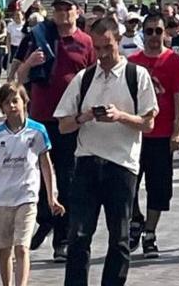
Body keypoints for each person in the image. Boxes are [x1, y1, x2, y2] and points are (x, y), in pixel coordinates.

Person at [58, 15, 155, 286]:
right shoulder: (84, 78)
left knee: (120, 238)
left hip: (122, 165)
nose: (101, 55)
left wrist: (121, 116)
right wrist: (83, 117)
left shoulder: (137, 75)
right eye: (97, 48)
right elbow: (63, 125)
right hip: (87, 162)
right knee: (78, 237)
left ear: (119, 41)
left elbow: (148, 123)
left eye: (107, 48)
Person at [15, 0, 94, 258]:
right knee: (37, 177)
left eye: (67, 9)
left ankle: (62, 237)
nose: (62, 14)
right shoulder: (39, 38)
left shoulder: (85, 42)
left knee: (67, 179)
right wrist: (29, 64)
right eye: (58, 9)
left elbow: (94, 77)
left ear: (77, 11)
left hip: (70, 120)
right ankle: (45, 217)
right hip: (41, 118)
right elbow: (17, 78)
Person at [126, 15, 179, 258]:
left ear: (165, 33)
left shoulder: (172, 60)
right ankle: (135, 219)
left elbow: (178, 97)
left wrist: (177, 130)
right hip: (135, 134)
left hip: (162, 134)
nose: (154, 36)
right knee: (128, 183)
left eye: (158, 31)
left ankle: (150, 233)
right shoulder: (133, 62)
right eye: (149, 31)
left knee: (159, 187)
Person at [0, 82, 58, 286]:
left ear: (25, 102)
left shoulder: (37, 131)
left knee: (22, 247)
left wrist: (51, 196)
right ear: (2, 107)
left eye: (15, 100)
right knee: (4, 247)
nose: (12, 106)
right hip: (1, 198)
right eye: (7, 103)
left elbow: (45, 164)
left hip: (27, 196)